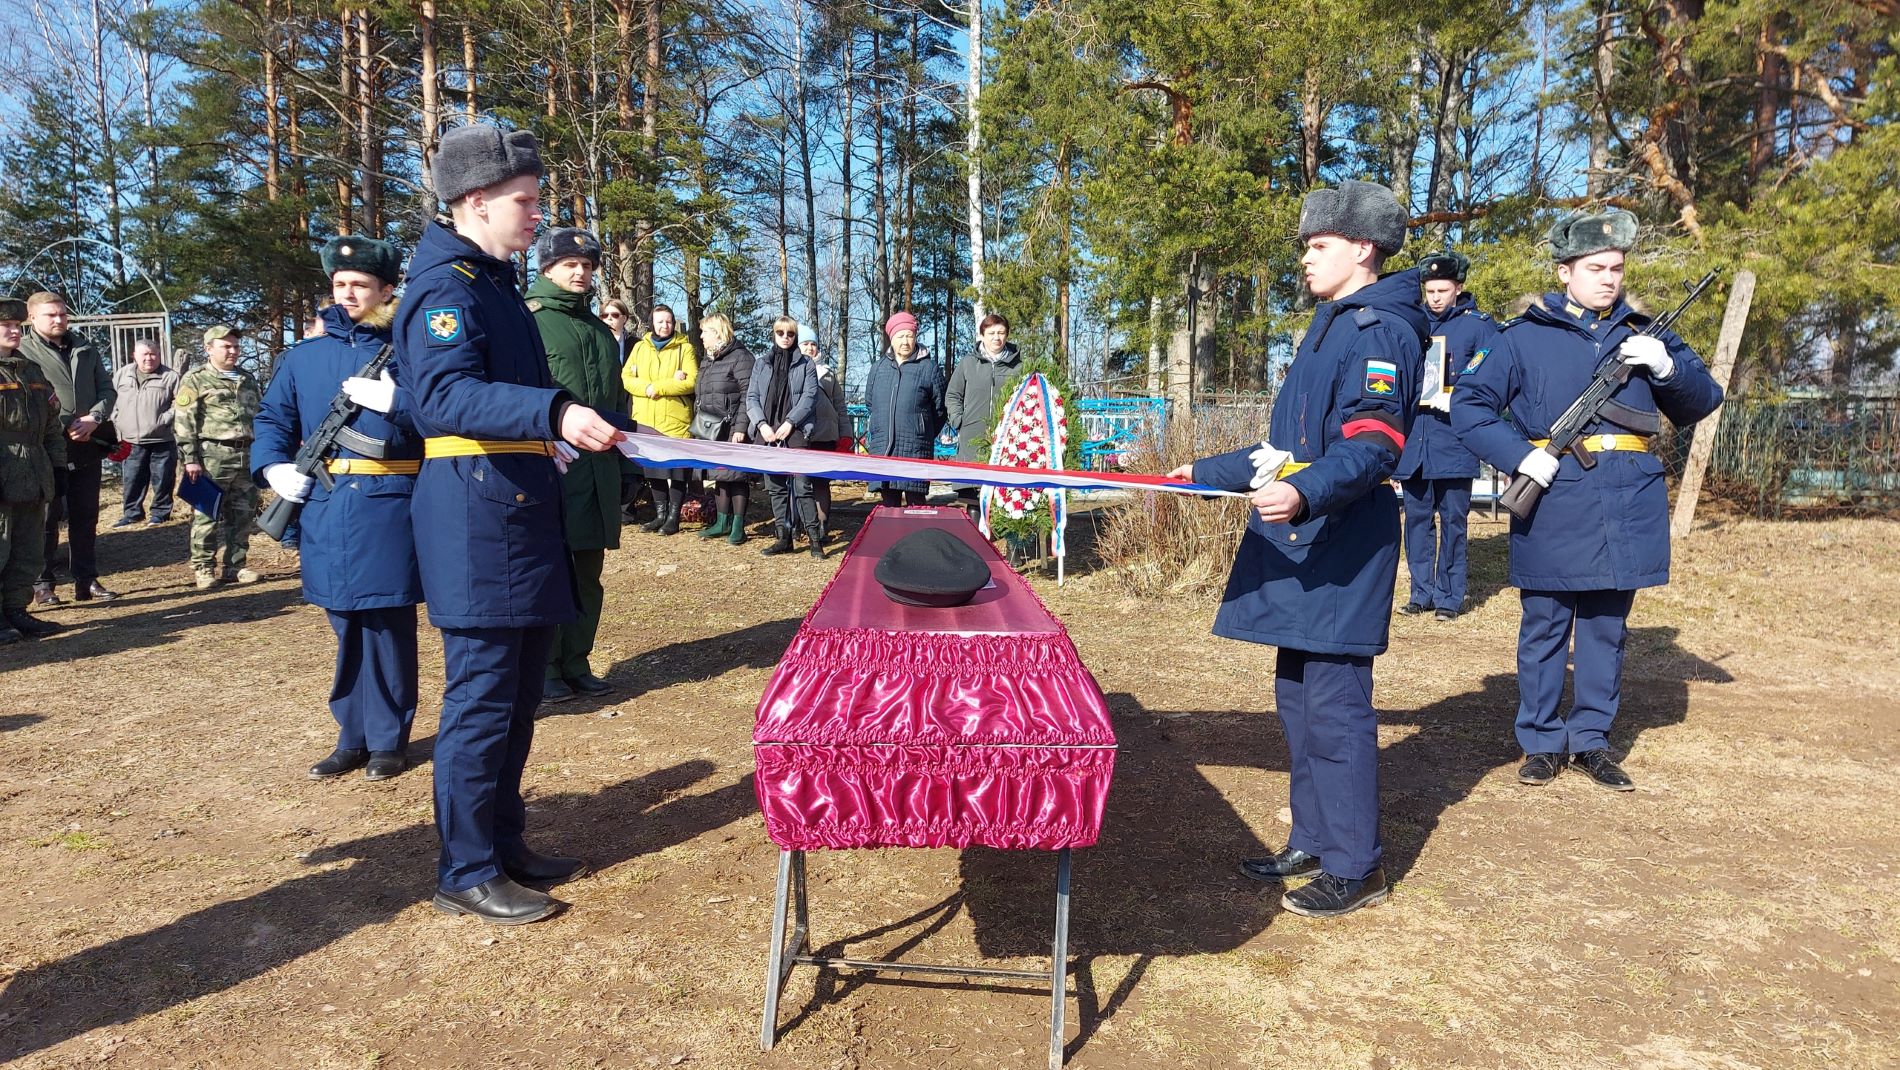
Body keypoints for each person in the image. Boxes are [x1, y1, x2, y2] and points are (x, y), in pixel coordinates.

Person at [1168, 179, 1425, 919]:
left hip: (1341, 543)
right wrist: (1203, 472)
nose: (1305, 260)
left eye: (1318, 247)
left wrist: (1309, 491)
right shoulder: (1330, 325)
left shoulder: (1380, 330)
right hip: (1302, 542)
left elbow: (1375, 444)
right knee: (1299, 701)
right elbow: (1283, 450)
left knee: (1338, 708)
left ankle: (1357, 866)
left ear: (1363, 249)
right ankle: (1314, 837)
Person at [398, 122, 625, 925]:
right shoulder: (446, 292)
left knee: (520, 695)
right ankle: (464, 869)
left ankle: (503, 843)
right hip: (477, 521)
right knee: (484, 700)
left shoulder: (493, 283)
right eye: (525, 202)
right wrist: (554, 412)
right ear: (475, 201)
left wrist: (546, 434)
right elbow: (445, 399)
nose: (537, 216)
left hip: (517, 512)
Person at [1452, 208, 1723, 792]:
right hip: (1556, 492)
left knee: (1606, 627)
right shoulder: (1523, 336)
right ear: (1564, 270)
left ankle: (1593, 741)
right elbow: (1469, 406)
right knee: (1545, 624)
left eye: (1616, 268)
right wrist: (1521, 457)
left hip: (1626, 497)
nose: (1608, 278)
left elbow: (1702, 400)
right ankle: (1542, 741)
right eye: (1595, 267)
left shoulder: (1646, 335)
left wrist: (1668, 366)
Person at [253, 235, 423, 782]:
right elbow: (273, 420)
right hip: (326, 505)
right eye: (341, 285)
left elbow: (442, 419)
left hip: (390, 504)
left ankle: (389, 739)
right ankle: (351, 736)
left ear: (386, 290)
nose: (349, 294)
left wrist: (399, 406)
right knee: (344, 622)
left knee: (387, 625)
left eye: (362, 286)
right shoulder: (305, 357)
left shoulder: (413, 350)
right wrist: (272, 467)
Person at [528, 227, 627, 703]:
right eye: (570, 264)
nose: (581, 272)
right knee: (550, 570)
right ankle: (545, 666)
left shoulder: (599, 332)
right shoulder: (529, 321)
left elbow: (612, 402)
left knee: (588, 572)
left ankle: (576, 661)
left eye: (587, 266)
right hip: (549, 467)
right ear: (547, 268)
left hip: (597, 471)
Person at [1395, 251, 1497, 621]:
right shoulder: (1412, 321)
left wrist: (1461, 393)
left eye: (1442, 290)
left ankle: (1449, 598)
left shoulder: (1478, 326)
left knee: (1454, 520)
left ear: (1459, 288)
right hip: (1415, 439)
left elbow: (1493, 373)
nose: (1435, 297)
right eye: (1430, 290)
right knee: (1417, 520)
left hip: (1453, 439)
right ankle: (1420, 593)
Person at [17, 292, 118, 605]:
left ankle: (86, 581)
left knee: (86, 516)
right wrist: (61, 424)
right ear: (32, 318)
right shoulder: (21, 351)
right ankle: (42, 584)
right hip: (48, 446)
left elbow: (106, 389)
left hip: (88, 443)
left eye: (62, 314)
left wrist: (93, 418)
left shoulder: (85, 348)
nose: (59, 319)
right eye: (51, 315)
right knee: (47, 517)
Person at [174, 326, 263, 589]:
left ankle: (235, 566)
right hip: (211, 455)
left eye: (236, 346)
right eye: (226, 346)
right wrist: (190, 458)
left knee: (243, 513)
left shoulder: (247, 379)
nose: (233, 351)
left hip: (246, 453)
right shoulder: (196, 379)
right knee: (206, 513)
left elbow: (259, 415)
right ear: (209, 348)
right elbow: (184, 421)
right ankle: (203, 568)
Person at [0, 298, 66, 643]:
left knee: (27, 550)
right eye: (6, 326)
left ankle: (15, 611)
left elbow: (52, 423)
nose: (14, 331)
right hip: (4, 468)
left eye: (18, 326)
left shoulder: (31, 371)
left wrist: (58, 465)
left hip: (34, 469)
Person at [746, 316, 822, 557]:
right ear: (774, 334)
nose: (785, 337)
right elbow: (752, 398)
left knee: (802, 486)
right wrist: (761, 425)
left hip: (796, 432)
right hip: (767, 432)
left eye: (790, 333)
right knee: (776, 487)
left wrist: (791, 422)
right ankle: (783, 538)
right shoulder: (761, 363)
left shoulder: (806, 364)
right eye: (781, 333)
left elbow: (810, 397)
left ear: (795, 336)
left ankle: (814, 540)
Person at [621, 303, 698, 535]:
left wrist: (660, 387)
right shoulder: (640, 348)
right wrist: (646, 387)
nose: (664, 325)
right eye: (660, 321)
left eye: (668, 321)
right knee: (653, 469)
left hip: (675, 420)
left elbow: (691, 380)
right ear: (652, 323)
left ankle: (674, 518)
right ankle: (660, 515)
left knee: (676, 470)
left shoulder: (685, 348)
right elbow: (626, 377)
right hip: (646, 419)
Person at [862, 311, 945, 507]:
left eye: (910, 335)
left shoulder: (929, 368)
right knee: (889, 504)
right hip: (884, 448)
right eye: (900, 336)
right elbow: (870, 403)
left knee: (916, 505)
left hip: (916, 449)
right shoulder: (878, 368)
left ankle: (916, 539)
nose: (905, 341)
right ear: (892, 338)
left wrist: (923, 430)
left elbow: (940, 408)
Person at [945, 312, 1023, 511]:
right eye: (991, 333)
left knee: (1005, 495)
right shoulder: (968, 363)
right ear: (982, 335)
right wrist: (958, 420)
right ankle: (975, 539)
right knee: (972, 496)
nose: (996, 337)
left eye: (1001, 332)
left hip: (1007, 440)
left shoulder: (1019, 366)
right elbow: (953, 395)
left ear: (1007, 335)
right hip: (972, 437)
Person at [691, 314, 754, 546]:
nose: (701, 336)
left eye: (704, 331)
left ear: (717, 332)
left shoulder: (741, 357)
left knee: (736, 476)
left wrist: (741, 427)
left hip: (733, 428)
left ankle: (738, 526)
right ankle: (721, 522)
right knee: (720, 476)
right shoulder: (708, 360)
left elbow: (749, 394)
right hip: (711, 428)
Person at [110, 338, 184, 528]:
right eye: (145, 354)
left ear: (159, 355)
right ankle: (132, 513)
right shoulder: (122, 375)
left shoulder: (171, 377)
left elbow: (181, 403)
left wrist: (165, 419)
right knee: (132, 478)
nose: (149, 358)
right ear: (134, 355)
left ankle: (160, 513)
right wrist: (117, 419)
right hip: (130, 439)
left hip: (162, 438)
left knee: (163, 479)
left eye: (153, 354)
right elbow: (111, 398)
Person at [800, 324, 846, 541]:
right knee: (800, 482)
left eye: (813, 344)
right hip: (799, 434)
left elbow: (840, 406)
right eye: (805, 343)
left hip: (825, 434)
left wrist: (845, 434)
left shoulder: (827, 373)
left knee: (821, 483)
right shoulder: (790, 371)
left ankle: (822, 526)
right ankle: (801, 524)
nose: (810, 348)